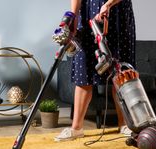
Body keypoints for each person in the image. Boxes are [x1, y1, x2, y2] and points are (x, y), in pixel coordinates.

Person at [55, 0, 136, 141]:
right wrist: (73, 16)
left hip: (118, 13)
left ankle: (124, 124)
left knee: (120, 71)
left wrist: (108, 4)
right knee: (83, 71)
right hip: (88, 12)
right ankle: (76, 128)